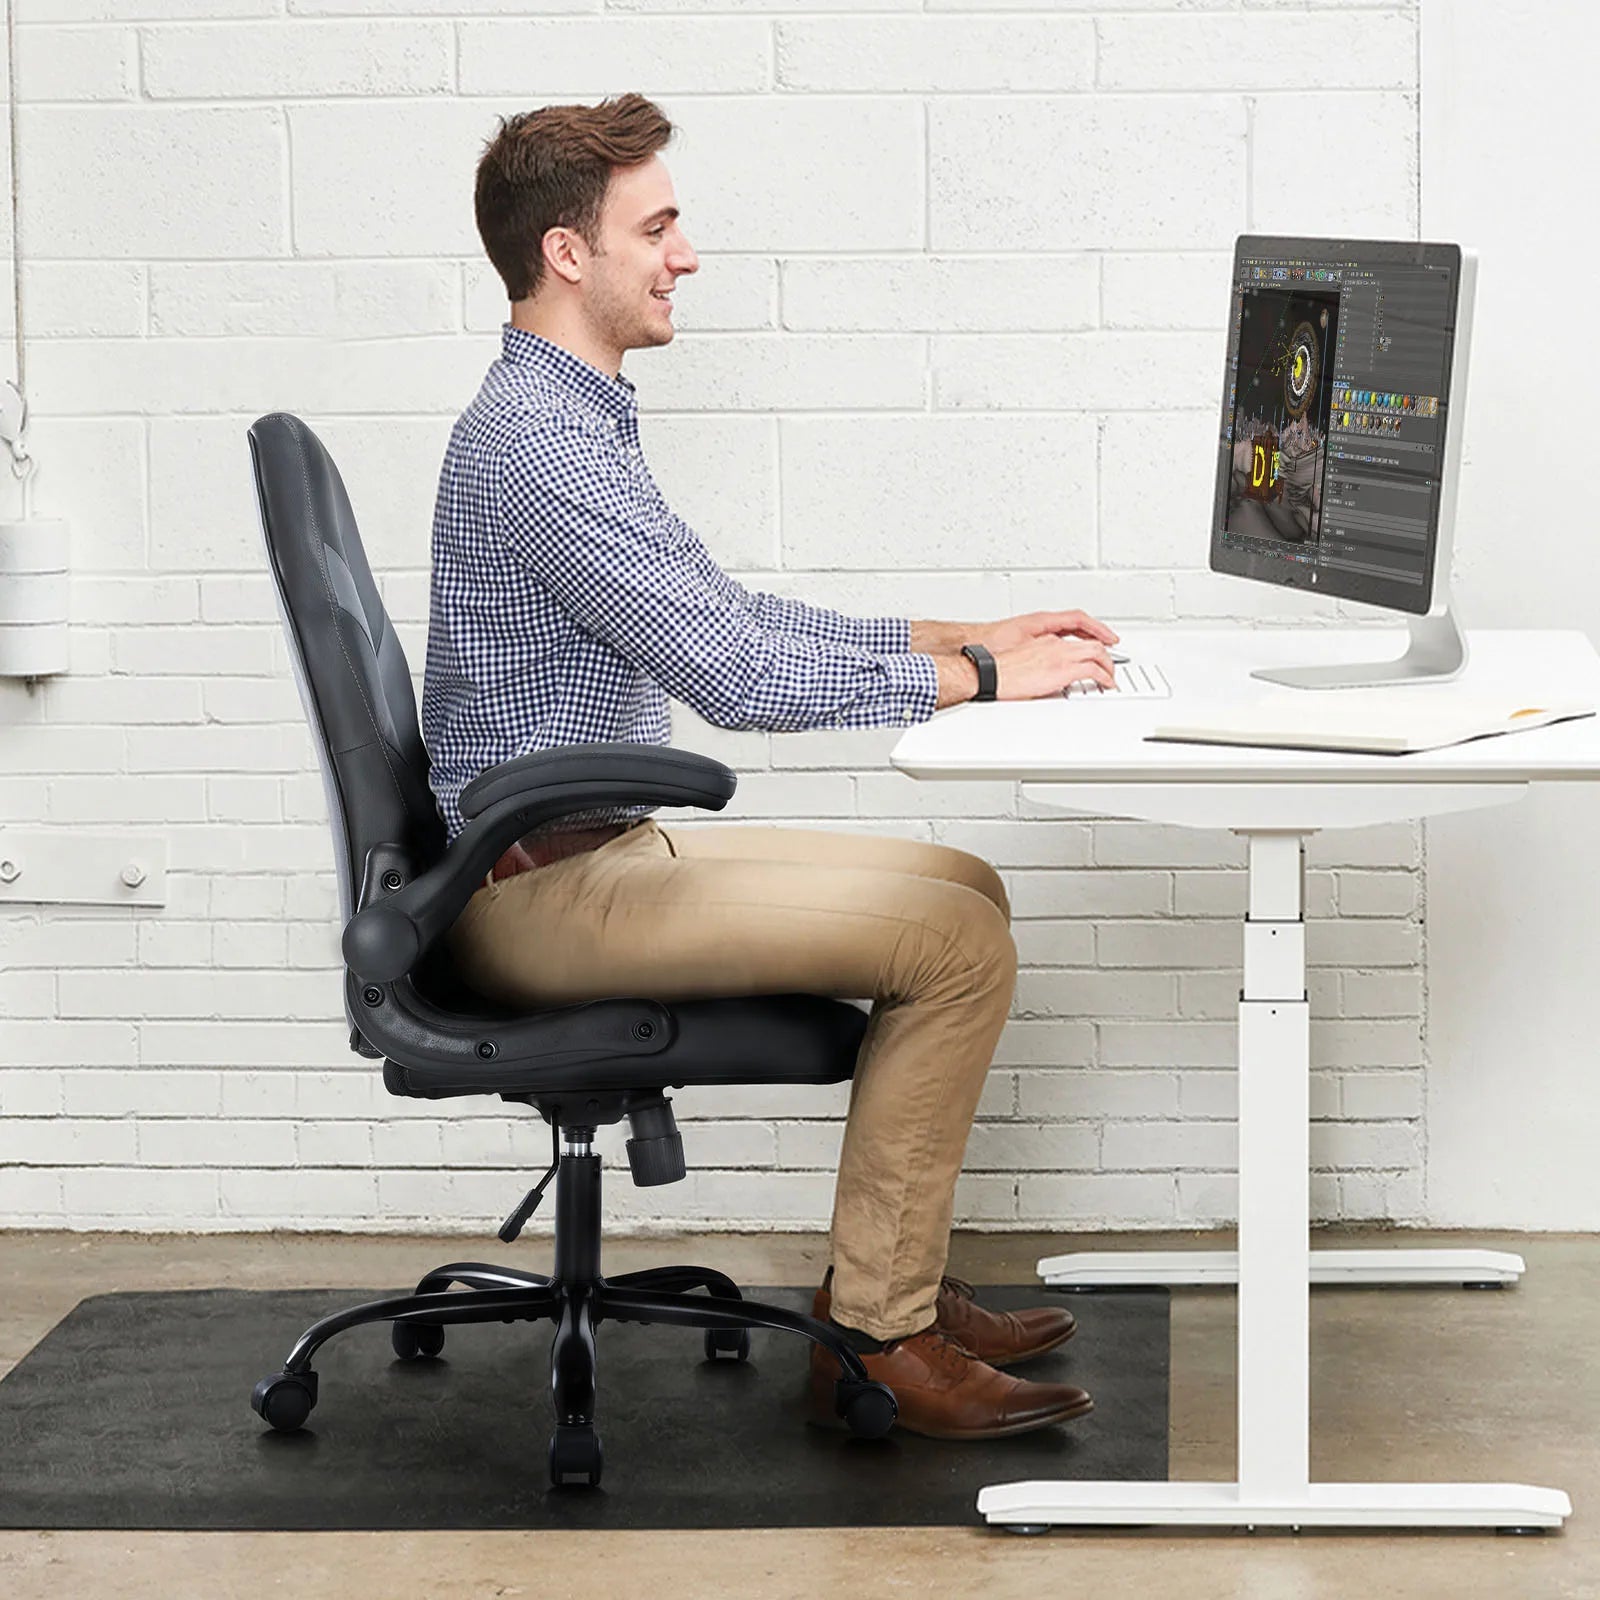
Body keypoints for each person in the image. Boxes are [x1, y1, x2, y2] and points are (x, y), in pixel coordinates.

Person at [422, 92, 1121, 1442]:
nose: (684, 255)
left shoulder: (574, 420)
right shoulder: (538, 448)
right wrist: (975, 683)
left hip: (585, 848)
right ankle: (880, 1336)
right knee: (956, 945)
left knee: (964, 881)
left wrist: (964, 634)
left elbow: (728, 614)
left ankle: (889, 1274)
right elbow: (738, 681)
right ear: (569, 254)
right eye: (659, 227)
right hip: (536, 890)